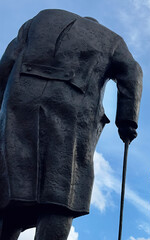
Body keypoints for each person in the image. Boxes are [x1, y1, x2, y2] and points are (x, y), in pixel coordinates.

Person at [0, 9, 142, 240]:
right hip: (71, 109)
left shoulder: (38, 19)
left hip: (19, 102)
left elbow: (6, 64)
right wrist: (127, 122)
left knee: (11, 188)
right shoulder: (112, 39)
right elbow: (132, 71)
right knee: (61, 193)